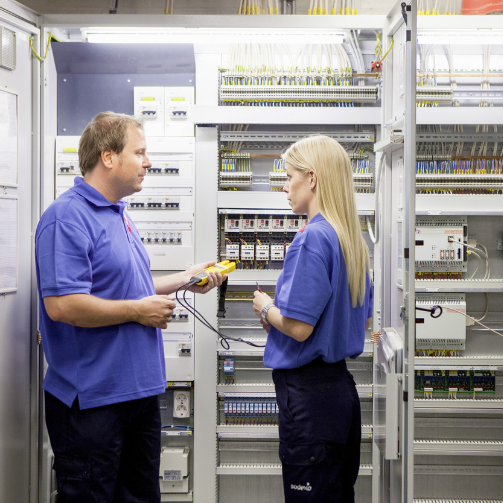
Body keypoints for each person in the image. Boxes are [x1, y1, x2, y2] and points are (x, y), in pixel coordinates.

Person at [35, 111, 224, 503]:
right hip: (92, 404)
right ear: (108, 157)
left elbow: (127, 287)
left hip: (136, 397)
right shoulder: (66, 218)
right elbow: (63, 305)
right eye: (139, 153)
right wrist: (137, 312)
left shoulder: (119, 215)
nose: (148, 162)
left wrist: (186, 278)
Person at [252, 135, 373, 503]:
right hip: (340, 397)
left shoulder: (311, 239)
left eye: (289, 177)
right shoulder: (350, 241)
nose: (285, 187)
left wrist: (265, 308)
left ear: (313, 178)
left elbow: (300, 328)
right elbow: (359, 324)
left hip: (308, 400)